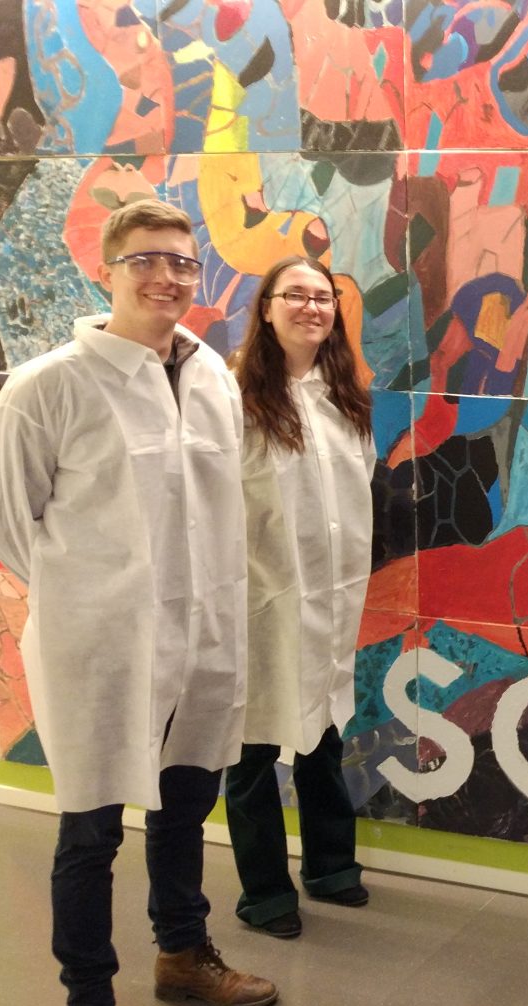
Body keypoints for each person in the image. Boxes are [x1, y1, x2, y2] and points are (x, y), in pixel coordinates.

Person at [0, 199, 277, 1006]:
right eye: (145, 260)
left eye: (181, 262)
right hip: (101, 646)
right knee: (91, 831)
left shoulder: (211, 374)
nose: (166, 277)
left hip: (203, 635)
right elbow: (4, 517)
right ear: (107, 270)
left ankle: (182, 953)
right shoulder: (49, 386)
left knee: (184, 807)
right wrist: (98, 595)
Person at [223, 256, 375, 938]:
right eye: (296, 295)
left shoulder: (345, 395)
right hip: (263, 600)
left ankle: (331, 865)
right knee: (254, 746)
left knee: (323, 730)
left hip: (333, 599)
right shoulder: (234, 397)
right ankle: (264, 891)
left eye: (324, 297)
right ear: (266, 308)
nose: (313, 307)